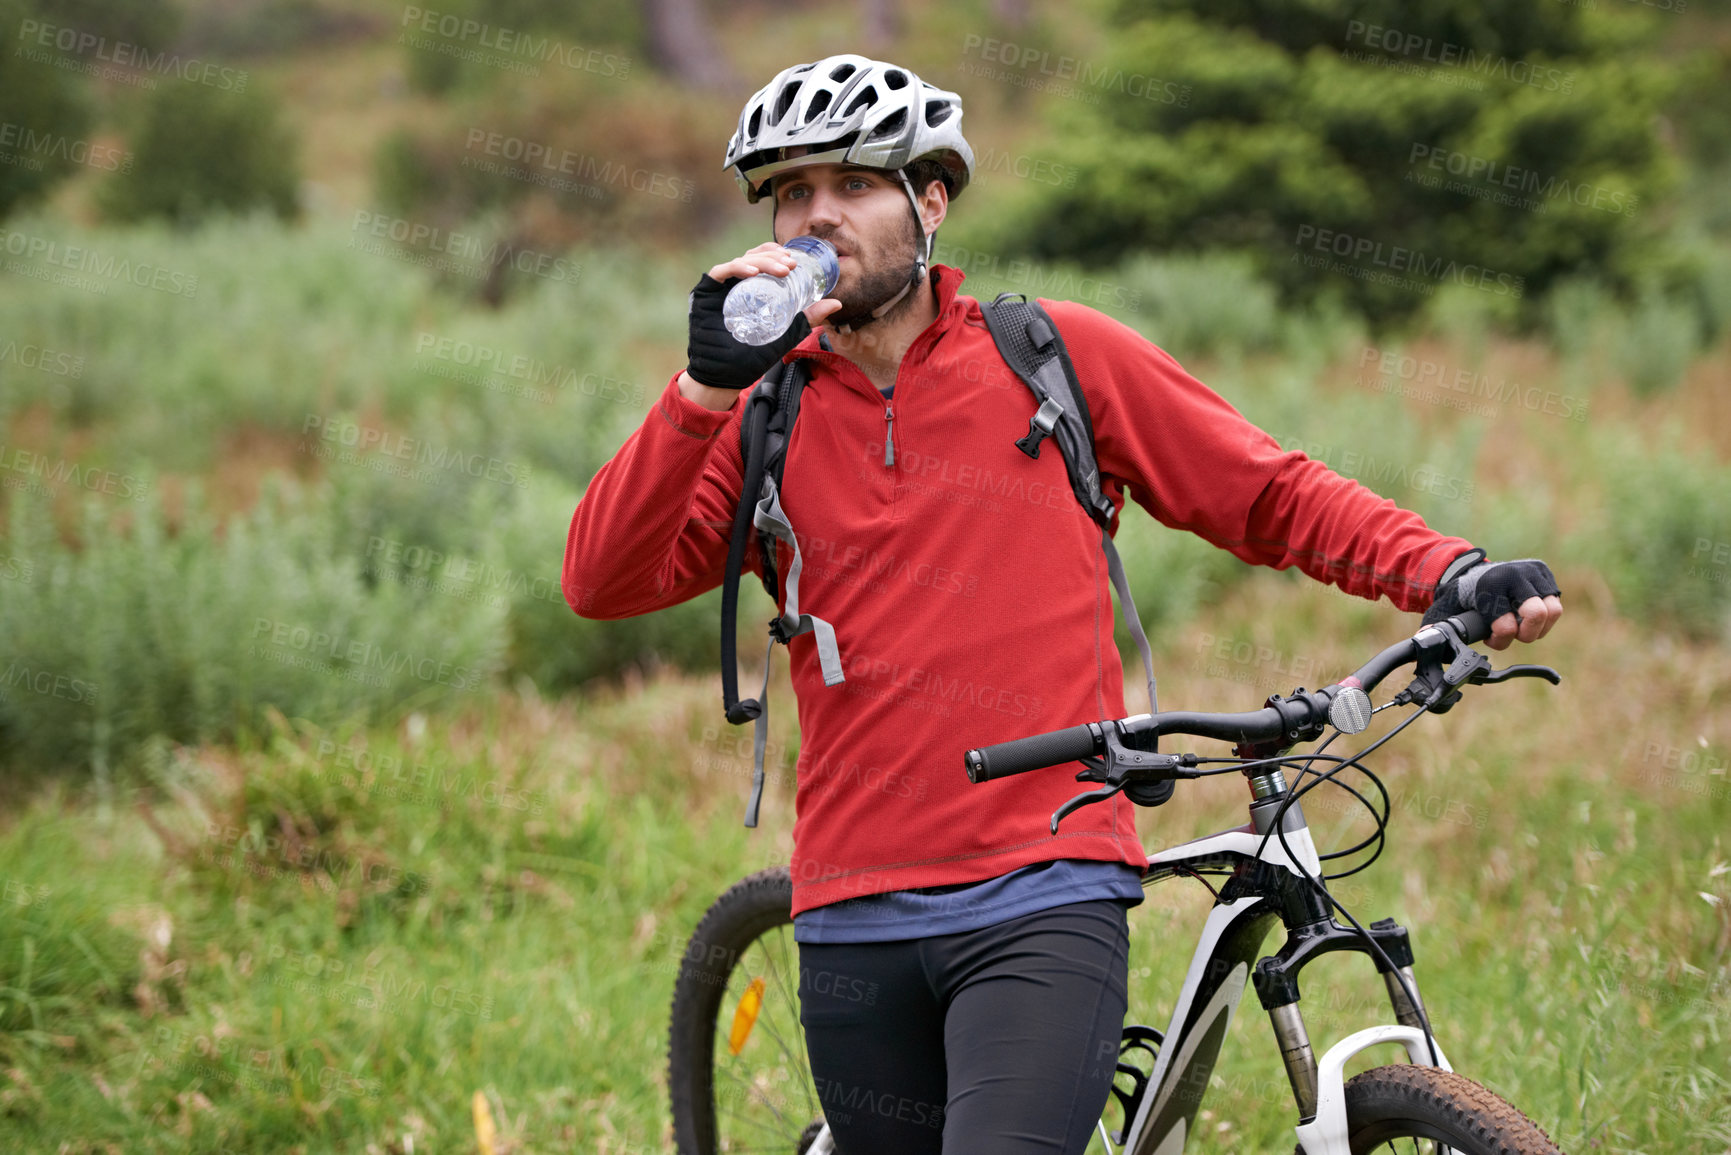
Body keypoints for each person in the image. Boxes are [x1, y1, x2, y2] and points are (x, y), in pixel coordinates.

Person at [563, 53, 1562, 1155]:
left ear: (930, 200)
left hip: (1041, 886)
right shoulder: (768, 414)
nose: (817, 217)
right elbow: (602, 580)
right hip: (850, 906)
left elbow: (1267, 493)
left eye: (853, 185)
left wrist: (1447, 571)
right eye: (793, 192)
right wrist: (704, 389)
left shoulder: (1052, 357)